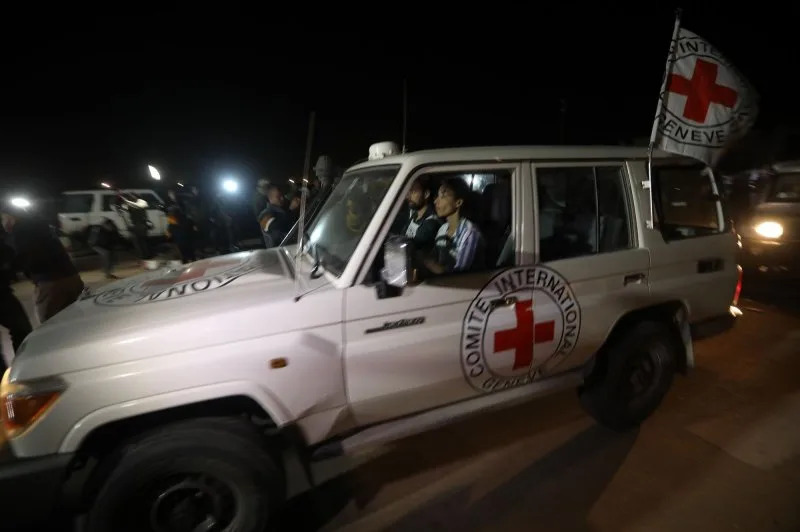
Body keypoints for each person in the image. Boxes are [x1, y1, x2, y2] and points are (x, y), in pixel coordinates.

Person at [1, 204, 84, 323]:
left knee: (48, 325)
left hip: (50, 282)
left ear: (11, 218)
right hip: (72, 277)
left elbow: (28, 256)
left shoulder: (20, 231)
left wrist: (10, 268)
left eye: (3, 219)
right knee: (75, 319)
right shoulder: (41, 226)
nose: (3, 223)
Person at [424, 177, 485, 275]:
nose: (436, 201)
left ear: (458, 202)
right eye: (437, 196)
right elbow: (433, 256)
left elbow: (458, 276)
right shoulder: (443, 229)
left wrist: (428, 263)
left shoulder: (469, 233)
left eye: (443, 196)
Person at [0, 230, 32, 373]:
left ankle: (24, 369)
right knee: (22, 330)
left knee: (23, 331)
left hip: (3, 294)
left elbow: (12, 258)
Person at [403, 177, 442, 252]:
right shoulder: (415, 215)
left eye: (413, 192)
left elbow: (413, 247)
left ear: (426, 194)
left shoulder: (431, 222)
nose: (408, 196)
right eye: (408, 192)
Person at [258, 184, 293, 248]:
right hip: (277, 251)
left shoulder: (283, 210)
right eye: (278, 196)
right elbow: (275, 226)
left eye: (282, 196)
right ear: (270, 198)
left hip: (289, 247)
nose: (282, 198)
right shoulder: (264, 215)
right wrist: (291, 210)